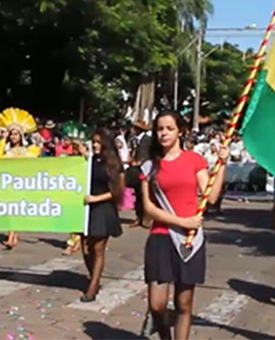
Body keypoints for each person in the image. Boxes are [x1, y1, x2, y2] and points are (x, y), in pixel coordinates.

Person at [141, 110, 228, 340]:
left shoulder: (194, 160)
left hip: (190, 239)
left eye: (169, 128)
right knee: (157, 304)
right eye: (160, 129)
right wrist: (181, 221)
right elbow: (149, 208)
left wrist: (222, 164)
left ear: (180, 131)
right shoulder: (150, 166)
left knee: (184, 303)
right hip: (161, 235)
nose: (164, 133)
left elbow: (211, 196)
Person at [80, 129, 125, 302]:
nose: (96, 145)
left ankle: (92, 286)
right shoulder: (90, 161)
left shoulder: (113, 165)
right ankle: (94, 277)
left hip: (104, 208)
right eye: (94, 142)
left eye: (99, 142)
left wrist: (96, 198)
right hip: (88, 208)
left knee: (98, 248)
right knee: (85, 247)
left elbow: (117, 191)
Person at [0, 108, 41, 249]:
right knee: (8, 209)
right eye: (12, 134)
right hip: (7, 183)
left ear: (21, 136)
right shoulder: (5, 149)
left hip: (20, 183)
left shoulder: (27, 151)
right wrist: (3, 140)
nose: (14, 137)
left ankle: (12, 235)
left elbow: (33, 159)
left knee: (15, 209)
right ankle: (11, 233)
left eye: (16, 134)